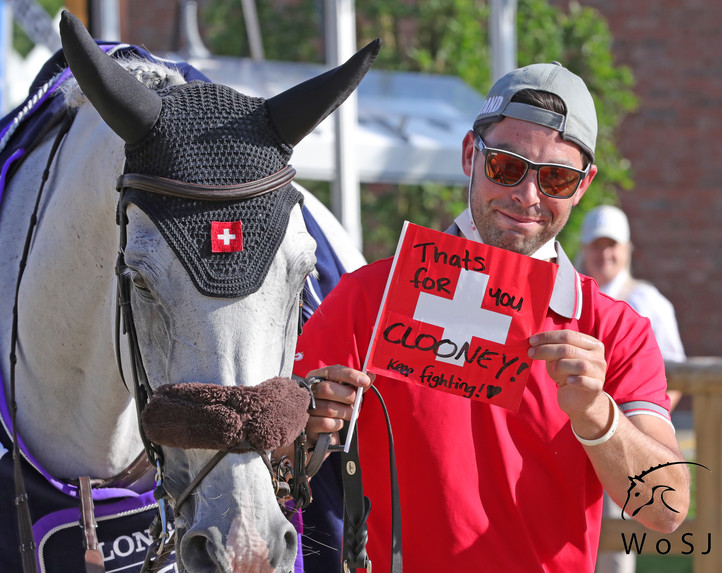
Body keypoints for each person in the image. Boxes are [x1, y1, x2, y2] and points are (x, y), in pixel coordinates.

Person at [294, 62, 690, 573]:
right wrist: (302, 430)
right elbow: (276, 469)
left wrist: (598, 416)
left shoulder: (615, 329)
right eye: (506, 166)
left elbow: (667, 509)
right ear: (469, 155)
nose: (528, 196)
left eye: (557, 178)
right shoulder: (369, 296)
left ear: (583, 185)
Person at [578, 204, 687, 573]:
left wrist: (642, 425)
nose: (604, 254)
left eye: (612, 245)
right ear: (584, 248)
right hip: (570, 435)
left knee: (616, 540)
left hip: (622, 436)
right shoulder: (568, 299)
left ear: (627, 249)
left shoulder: (649, 303)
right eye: (596, 245)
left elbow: (676, 378)